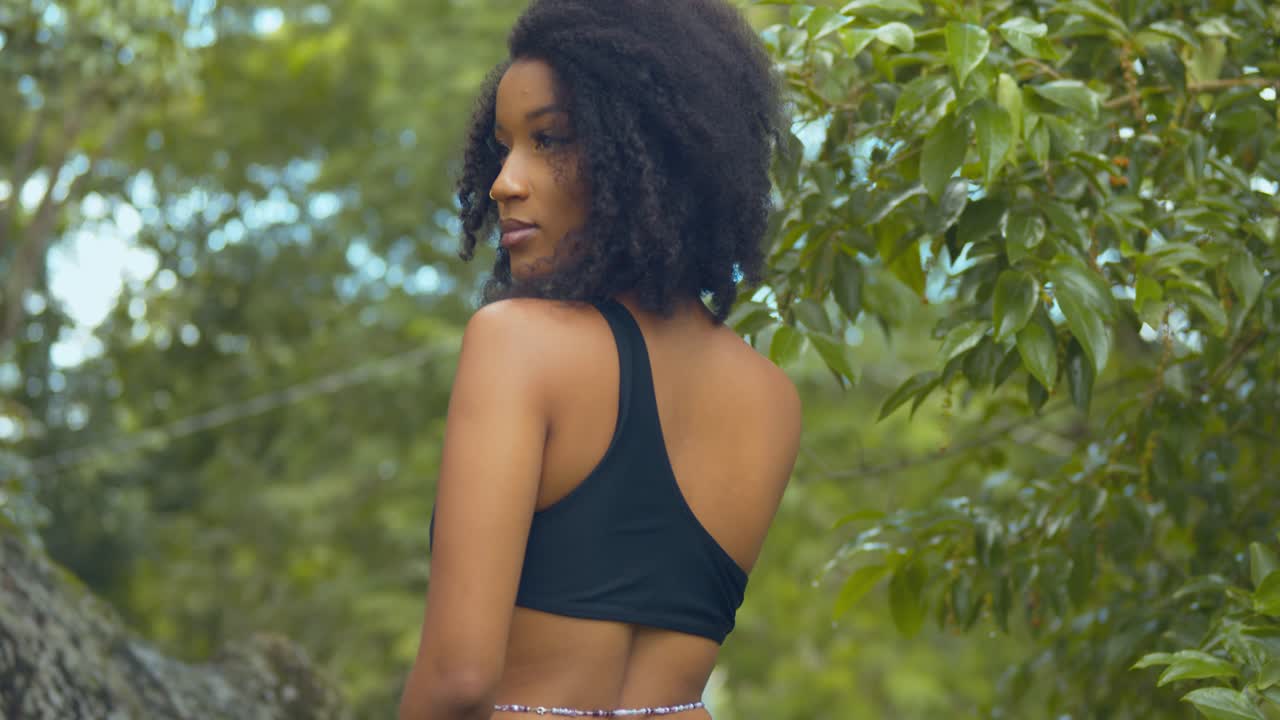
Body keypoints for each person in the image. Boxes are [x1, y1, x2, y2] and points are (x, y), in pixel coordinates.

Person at [399, 1, 801, 717]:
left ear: (647, 149)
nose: (503, 182)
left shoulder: (518, 343)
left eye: (549, 140)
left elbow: (459, 677)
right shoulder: (773, 398)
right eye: (503, 148)